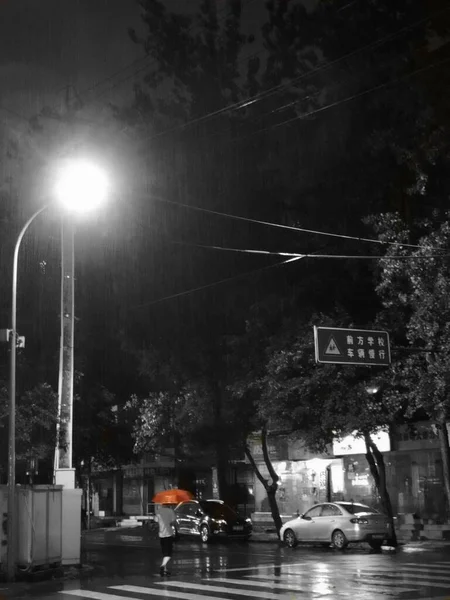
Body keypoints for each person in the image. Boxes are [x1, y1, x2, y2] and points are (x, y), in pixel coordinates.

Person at [154, 503, 176, 576]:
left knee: (164, 553)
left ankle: (165, 570)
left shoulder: (158, 511)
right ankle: (163, 566)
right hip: (168, 534)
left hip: (161, 534)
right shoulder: (170, 511)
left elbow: (156, 520)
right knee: (169, 553)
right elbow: (173, 521)